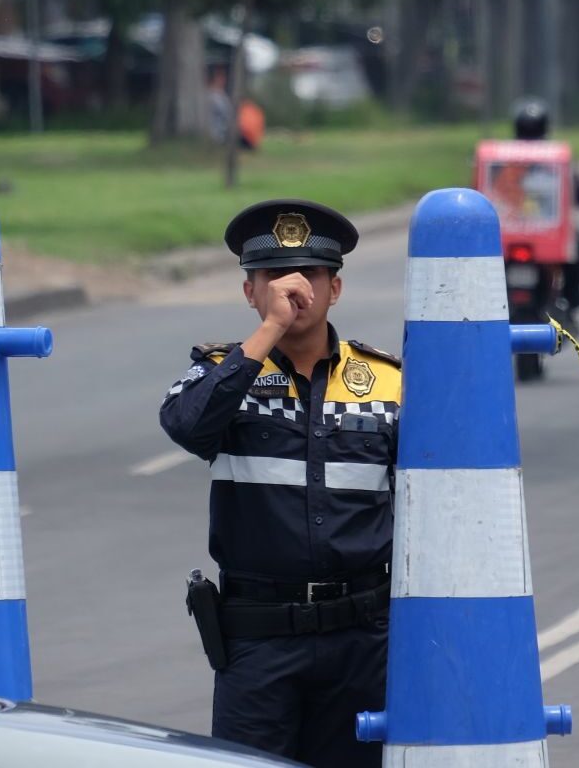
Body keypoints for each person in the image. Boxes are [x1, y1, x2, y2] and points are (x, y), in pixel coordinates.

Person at [159, 200, 399, 768]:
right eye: (273, 278)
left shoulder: (388, 382)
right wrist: (268, 331)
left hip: (363, 639)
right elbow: (186, 426)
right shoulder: (224, 371)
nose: (294, 289)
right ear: (250, 292)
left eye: (310, 275)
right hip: (258, 643)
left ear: (334, 289)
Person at [512, 98, 579, 309]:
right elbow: (577, 190)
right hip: (546, 229)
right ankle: (574, 294)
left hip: (510, 229)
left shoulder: (502, 156)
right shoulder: (554, 156)